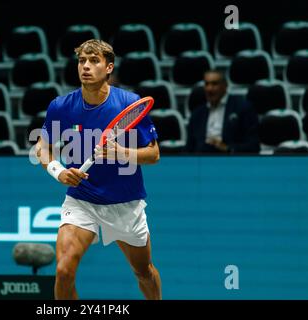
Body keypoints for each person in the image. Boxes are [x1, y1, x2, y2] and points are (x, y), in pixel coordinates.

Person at [36, 39, 162, 300]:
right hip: (83, 200)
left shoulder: (128, 103)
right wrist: (58, 171)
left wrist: (122, 153)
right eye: (82, 61)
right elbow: (43, 148)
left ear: (108, 68)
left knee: (143, 272)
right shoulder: (61, 107)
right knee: (64, 271)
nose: (86, 66)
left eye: (94, 61)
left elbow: (154, 154)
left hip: (125, 203)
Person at [186, 69, 260, 153]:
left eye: (214, 84)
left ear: (225, 86)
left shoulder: (243, 108)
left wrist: (228, 148)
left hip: (230, 160)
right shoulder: (197, 114)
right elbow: (189, 148)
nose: (209, 89)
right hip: (202, 161)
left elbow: (253, 146)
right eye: (207, 84)